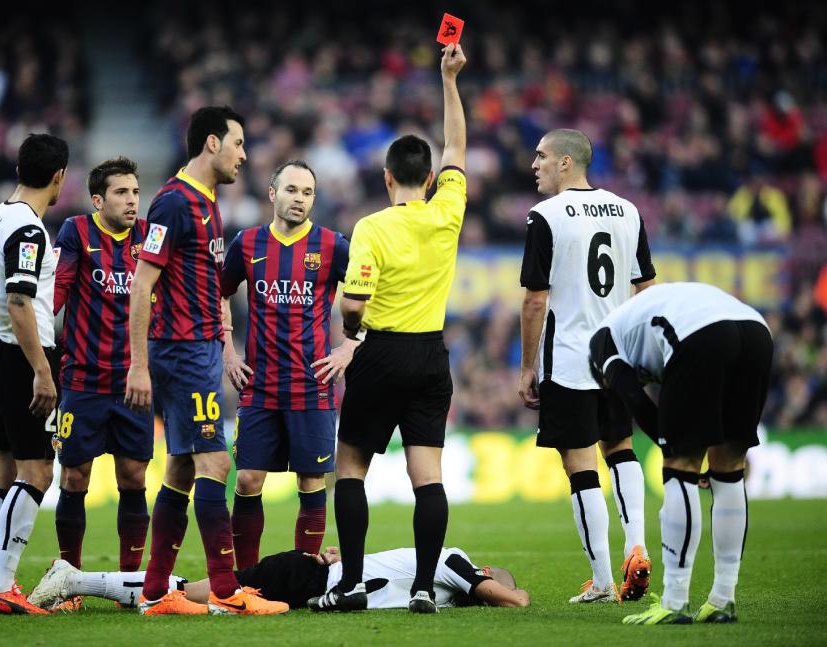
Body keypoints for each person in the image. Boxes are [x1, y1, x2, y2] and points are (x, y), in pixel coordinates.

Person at [308, 43, 467, 615]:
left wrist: (352, 330)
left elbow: (353, 302)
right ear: (430, 176)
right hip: (431, 356)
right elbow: (457, 145)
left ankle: (351, 582)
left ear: (386, 177)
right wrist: (449, 79)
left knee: (350, 468)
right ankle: (424, 586)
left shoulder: (371, 227)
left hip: (380, 353)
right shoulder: (449, 211)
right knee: (427, 475)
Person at [123, 106, 288, 616]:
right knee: (215, 461)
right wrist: (138, 364)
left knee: (179, 470)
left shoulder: (208, 203)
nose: (245, 153)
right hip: (181, 351)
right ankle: (224, 590)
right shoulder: (173, 203)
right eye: (238, 143)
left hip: (198, 350)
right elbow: (142, 284)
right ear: (212, 143)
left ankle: (154, 594)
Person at [517, 127, 657, 604]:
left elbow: (536, 301)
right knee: (620, 449)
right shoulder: (628, 210)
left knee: (580, 465)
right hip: (617, 354)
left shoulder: (545, 215)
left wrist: (525, 368)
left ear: (565, 163)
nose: (533, 164)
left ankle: (601, 581)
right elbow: (646, 289)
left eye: (541, 156)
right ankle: (636, 546)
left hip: (570, 357)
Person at [588, 282, 771, 625]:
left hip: (698, 334)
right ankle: (723, 599)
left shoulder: (599, 341)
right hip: (756, 330)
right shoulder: (638, 321)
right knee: (728, 469)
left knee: (679, 468)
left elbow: (632, 395)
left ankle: (675, 602)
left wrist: (672, 448)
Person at [220, 159, 353, 568]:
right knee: (246, 480)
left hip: (312, 384)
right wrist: (227, 349)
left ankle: (304, 573)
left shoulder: (333, 245)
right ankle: (246, 578)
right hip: (259, 385)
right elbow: (220, 294)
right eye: (292, 190)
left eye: (308, 192)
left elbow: (372, 296)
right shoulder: (247, 243)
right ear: (273, 193)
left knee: (312, 481)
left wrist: (349, 347)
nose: (300, 199)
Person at [0, 133, 68, 615]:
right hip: (20, 358)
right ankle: (0, 583)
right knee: (38, 470)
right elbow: (21, 300)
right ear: (59, 177)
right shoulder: (29, 230)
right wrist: (40, 369)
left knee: (1, 468)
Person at [50, 157, 151, 585]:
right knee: (74, 476)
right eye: (121, 193)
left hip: (134, 380)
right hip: (83, 380)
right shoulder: (76, 232)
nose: (132, 201)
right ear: (97, 199)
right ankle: (68, 576)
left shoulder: (148, 236)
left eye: (134, 192)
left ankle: (130, 581)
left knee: (133, 476)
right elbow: (56, 291)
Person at [28, 546, 530, 611]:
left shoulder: (440, 586)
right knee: (185, 592)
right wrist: (519, 593)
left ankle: (80, 581)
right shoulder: (454, 559)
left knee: (193, 594)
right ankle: (74, 579)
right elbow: (505, 598)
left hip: (313, 580)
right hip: (306, 576)